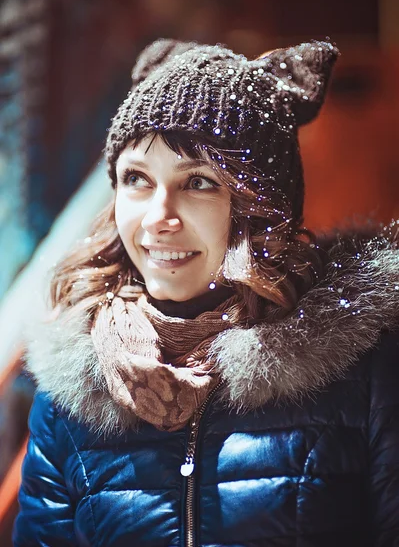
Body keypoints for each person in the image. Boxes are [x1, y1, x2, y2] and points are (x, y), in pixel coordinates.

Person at [13, 39, 399, 547]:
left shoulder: (363, 370)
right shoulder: (70, 396)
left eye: (198, 182)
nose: (158, 217)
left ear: (258, 207)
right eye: (136, 179)